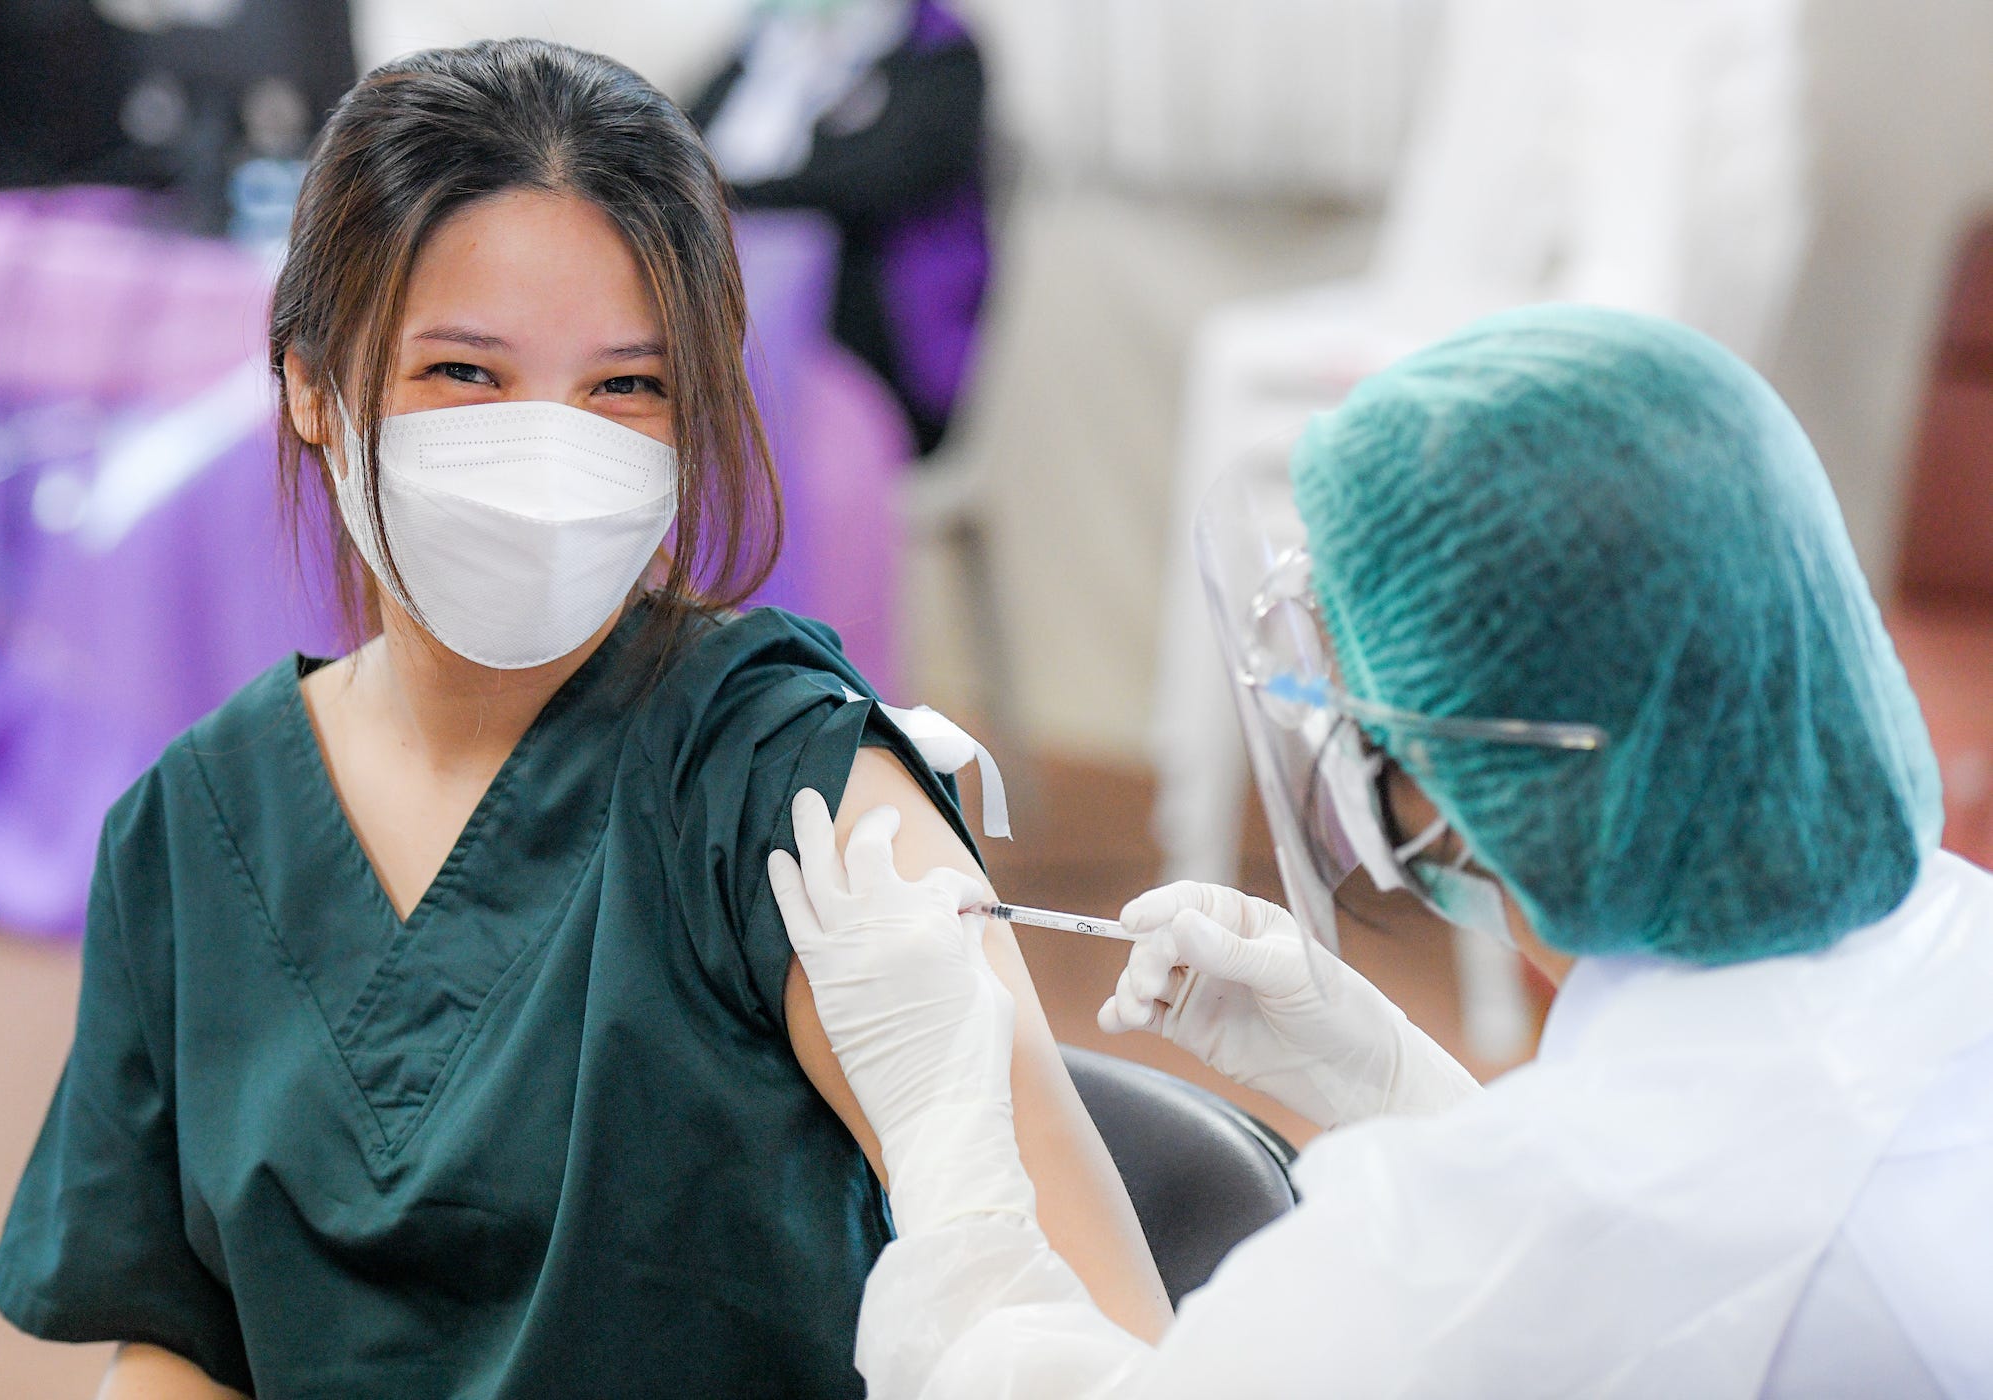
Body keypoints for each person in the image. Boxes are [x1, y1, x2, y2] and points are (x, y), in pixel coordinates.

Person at [0, 39, 1169, 1399]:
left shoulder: (795, 795)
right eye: (466, 375)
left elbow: (1103, 1338)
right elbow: (180, 1349)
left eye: (627, 387)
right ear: (311, 381)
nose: (551, 447)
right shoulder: (196, 827)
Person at [769, 305, 1993, 1397]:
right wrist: (1382, 1080)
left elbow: (1543, 1260)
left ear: (1478, 784)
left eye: (1359, 697)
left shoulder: (1445, 1264)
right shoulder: (1961, 945)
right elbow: (1663, 1194)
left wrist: (946, 1139)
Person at [691, 0, 988, 456]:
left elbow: (874, 180)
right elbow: (677, 140)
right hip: (738, 305)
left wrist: (732, 192)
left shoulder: (939, 52)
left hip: (882, 334)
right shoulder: (770, 43)